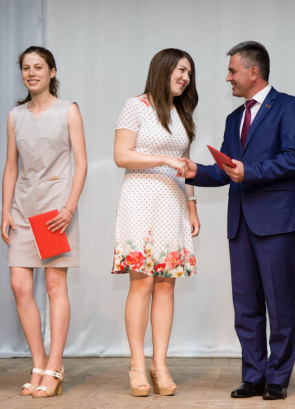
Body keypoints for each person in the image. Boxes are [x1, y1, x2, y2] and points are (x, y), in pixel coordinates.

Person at [181, 41, 295, 400]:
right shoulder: (233, 118)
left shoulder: (290, 107)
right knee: (246, 306)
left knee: (279, 305)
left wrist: (249, 171)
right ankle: (253, 376)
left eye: (232, 71)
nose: (228, 78)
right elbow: (225, 171)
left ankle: (278, 378)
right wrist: (193, 171)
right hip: (240, 224)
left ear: (253, 73)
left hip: (277, 222)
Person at [112, 48, 200, 397]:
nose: (186, 78)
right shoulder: (135, 106)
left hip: (173, 202)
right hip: (139, 199)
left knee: (166, 284)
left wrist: (192, 206)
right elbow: (121, 155)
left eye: (189, 73)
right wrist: (164, 159)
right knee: (143, 283)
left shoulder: (182, 113)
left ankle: (159, 364)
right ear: (163, 69)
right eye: (181, 70)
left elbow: (186, 164)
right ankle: (137, 363)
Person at [1, 46, 87, 398]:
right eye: (26, 67)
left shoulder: (68, 110)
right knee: (20, 286)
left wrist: (69, 208)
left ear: (52, 72)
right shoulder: (15, 115)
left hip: (54, 211)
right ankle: (38, 363)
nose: (31, 73)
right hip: (22, 208)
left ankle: (55, 366)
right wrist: (5, 210)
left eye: (38, 67)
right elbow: (11, 166)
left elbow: (81, 163)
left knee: (54, 286)